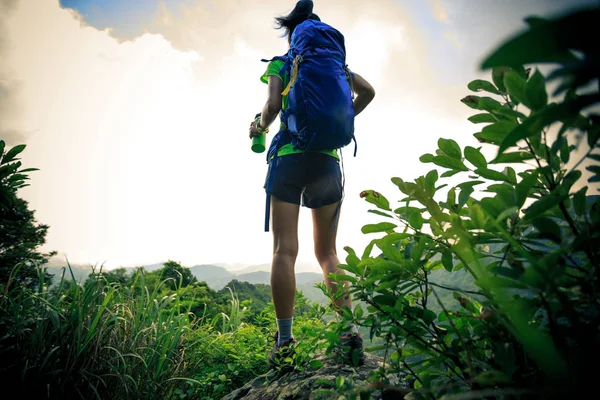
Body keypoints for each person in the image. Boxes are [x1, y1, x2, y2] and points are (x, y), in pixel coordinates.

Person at [248, 0, 375, 367]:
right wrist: (346, 117)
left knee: (285, 251)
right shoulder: (336, 64)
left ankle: (285, 342)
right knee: (328, 254)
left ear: (292, 34)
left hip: (288, 159)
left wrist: (259, 127)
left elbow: (272, 105)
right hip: (327, 160)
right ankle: (349, 333)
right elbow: (368, 93)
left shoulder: (283, 62)